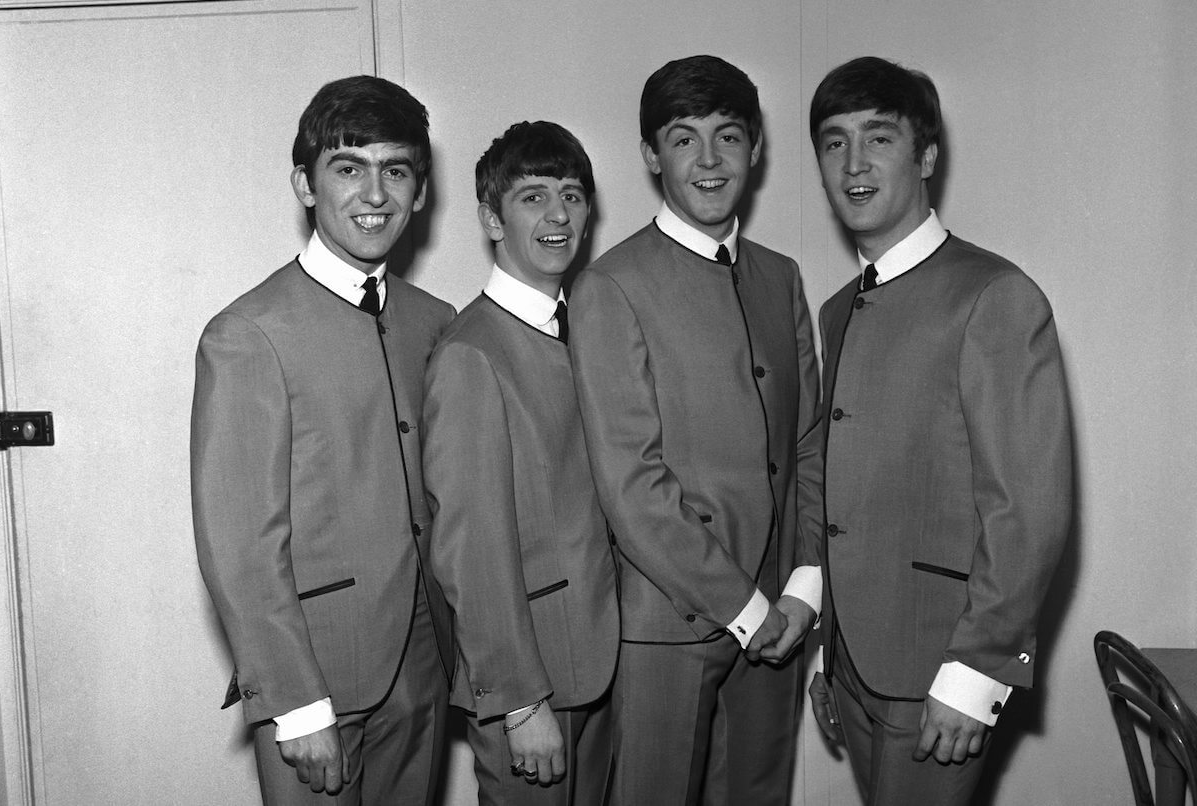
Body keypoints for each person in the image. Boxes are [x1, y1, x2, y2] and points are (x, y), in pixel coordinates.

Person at [805, 55, 1072, 805]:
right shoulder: (836, 308)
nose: (854, 163)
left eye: (878, 138)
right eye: (833, 142)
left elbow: (1031, 509)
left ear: (925, 156)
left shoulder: (995, 296)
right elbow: (845, 495)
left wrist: (979, 670)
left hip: (940, 670)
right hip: (855, 666)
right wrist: (829, 648)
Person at [568, 54, 825, 805]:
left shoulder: (780, 277)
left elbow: (808, 442)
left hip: (780, 623)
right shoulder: (612, 285)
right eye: (684, 139)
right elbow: (631, 484)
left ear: (756, 148)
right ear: (652, 155)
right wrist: (744, 606)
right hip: (670, 628)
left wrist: (804, 586)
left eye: (728, 137)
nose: (709, 161)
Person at [191, 75, 455, 805]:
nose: (375, 195)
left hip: (425, 670)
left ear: (421, 193)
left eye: (396, 171)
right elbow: (241, 544)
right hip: (319, 683)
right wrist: (295, 700)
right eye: (349, 169)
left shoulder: (437, 321)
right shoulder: (247, 336)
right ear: (305, 186)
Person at [422, 120, 619, 805]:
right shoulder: (472, 354)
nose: (559, 214)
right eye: (533, 196)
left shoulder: (592, 330)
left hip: (602, 661)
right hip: (535, 681)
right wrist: (519, 701)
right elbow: (469, 548)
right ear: (491, 219)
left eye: (572, 194)